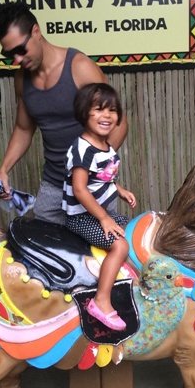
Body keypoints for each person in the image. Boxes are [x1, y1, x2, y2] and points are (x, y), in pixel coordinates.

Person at [0, 2, 128, 225]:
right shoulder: (22, 79)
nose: (17, 60)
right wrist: (4, 169)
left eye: (20, 50)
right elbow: (23, 129)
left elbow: (119, 124)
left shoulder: (80, 68)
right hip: (52, 185)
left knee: (97, 246)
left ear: (36, 31)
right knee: (43, 244)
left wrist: (90, 168)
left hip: (91, 185)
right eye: (9, 54)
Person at [62, 83, 136, 331]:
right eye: (99, 109)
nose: (107, 115)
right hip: (82, 217)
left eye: (112, 110)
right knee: (120, 245)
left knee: (133, 230)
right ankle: (100, 300)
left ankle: (123, 288)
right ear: (84, 112)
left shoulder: (106, 146)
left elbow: (104, 177)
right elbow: (80, 189)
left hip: (98, 213)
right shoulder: (82, 148)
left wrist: (119, 189)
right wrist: (104, 218)